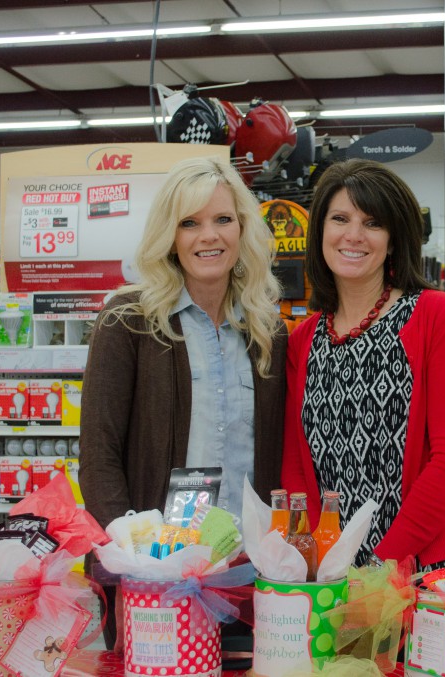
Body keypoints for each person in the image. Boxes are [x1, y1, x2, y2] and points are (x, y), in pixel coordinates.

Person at [79, 155, 288, 650]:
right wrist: (138, 558)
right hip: (156, 575)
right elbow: (98, 457)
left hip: (247, 571)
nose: (208, 236)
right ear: (169, 235)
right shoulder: (128, 320)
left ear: (242, 228)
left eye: (222, 219)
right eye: (189, 223)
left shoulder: (266, 329)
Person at [281, 158, 445, 571]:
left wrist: (379, 565)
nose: (353, 235)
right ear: (320, 231)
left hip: (422, 572)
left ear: (393, 237)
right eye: (340, 218)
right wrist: (316, 557)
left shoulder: (437, 316)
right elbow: (297, 466)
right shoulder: (302, 340)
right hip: (331, 574)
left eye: (372, 222)